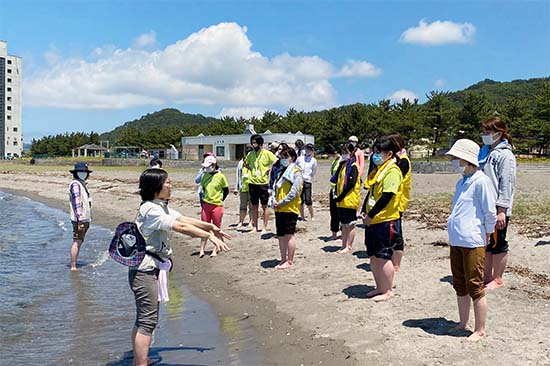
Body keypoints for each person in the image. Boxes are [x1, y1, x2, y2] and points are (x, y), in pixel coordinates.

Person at [131, 169, 230, 366]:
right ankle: (140, 363)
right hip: (144, 271)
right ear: (155, 187)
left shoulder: (161, 206)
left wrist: (210, 228)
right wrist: (208, 237)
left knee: (144, 318)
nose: (170, 186)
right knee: (147, 320)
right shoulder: (151, 209)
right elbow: (181, 228)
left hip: (151, 269)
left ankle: (139, 360)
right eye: (167, 183)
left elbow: (183, 220)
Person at [446, 139, 496, 341]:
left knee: (475, 284)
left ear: (466, 159)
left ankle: (480, 328)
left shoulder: (481, 181)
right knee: (459, 283)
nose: (454, 161)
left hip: (473, 240)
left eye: (456, 158)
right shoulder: (461, 181)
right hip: (456, 239)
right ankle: (463, 322)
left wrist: (488, 233)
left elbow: (489, 211)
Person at [360, 136, 403, 302]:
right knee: (373, 255)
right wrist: (364, 211)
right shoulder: (379, 169)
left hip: (386, 219)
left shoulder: (393, 171)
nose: (375, 155)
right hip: (373, 220)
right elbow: (371, 193)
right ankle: (379, 286)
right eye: (374, 152)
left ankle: (388, 290)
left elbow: (386, 197)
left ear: (389, 153)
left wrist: (371, 215)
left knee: (383, 255)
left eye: (379, 152)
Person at [478, 116, 516, 291]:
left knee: (498, 243)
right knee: (486, 243)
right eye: (484, 132)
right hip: (484, 206)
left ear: (499, 133)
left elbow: (506, 184)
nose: (485, 135)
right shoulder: (484, 151)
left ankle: (498, 278)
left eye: (488, 132)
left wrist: (502, 210)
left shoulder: (505, 155)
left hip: (497, 207)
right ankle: (486, 276)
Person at [273, 145, 303, 269]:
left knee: (289, 234)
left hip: (290, 208)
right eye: (282, 157)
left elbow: (294, 192)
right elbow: (275, 188)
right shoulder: (281, 172)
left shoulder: (296, 172)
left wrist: (282, 202)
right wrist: (274, 200)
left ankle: (289, 260)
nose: (283, 159)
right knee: (280, 235)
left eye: (286, 156)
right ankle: (283, 258)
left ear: (293, 158)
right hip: (279, 208)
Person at [387, 132, 411, 272]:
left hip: (398, 202)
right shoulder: (397, 158)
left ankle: (396, 264)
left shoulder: (403, 160)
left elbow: (396, 180)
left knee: (396, 234)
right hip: (393, 203)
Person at [244, 134, 278, 233]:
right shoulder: (250, 154)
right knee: (254, 206)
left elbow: (276, 161)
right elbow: (245, 163)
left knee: (264, 206)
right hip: (252, 182)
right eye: (252, 142)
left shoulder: (267, 153)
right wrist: (250, 170)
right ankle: (255, 227)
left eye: (255, 142)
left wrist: (270, 168)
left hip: (264, 183)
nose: (253, 144)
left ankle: (264, 227)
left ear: (260, 143)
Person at [331, 142, 361, 254]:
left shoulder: (353, 166)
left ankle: (349, 245)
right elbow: (337, 181)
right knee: (343, 224)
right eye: (342, 152)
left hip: (349, 199)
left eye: (346, 152)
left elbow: (351, 183)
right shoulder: (342, 165)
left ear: (352, 152)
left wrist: (341, 196)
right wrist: (336, 194)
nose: (344, 154)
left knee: (350, 224)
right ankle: (343, 244)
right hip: (341, 200)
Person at [199, 156, 229, 257]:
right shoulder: (205, 176)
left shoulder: (221, 176)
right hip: (206, 205)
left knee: (216, 228)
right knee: (204, 227)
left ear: (214, 165)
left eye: (208, 166)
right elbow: (203, 188)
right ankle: (202, 249)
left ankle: (215, 248)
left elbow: (226, 190)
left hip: (217, 206)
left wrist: (219, 200)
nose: (206, 168)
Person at [68, 162, 93, 271]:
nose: (83, 174)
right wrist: (80, 220)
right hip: (80, 219)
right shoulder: (75, 184)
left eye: (85, 172)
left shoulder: (81, 183)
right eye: (81, 172)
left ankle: (74, 263)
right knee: (77, 241)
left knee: (79, 241)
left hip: (83, 219)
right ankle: (73, 265)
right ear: (76, 173)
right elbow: (77, 203)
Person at [296, 143, 318, 221]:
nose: (308, 151)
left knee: (308, 199)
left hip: (308, 181)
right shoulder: (299, 158)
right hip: (299, 181)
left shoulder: (313, 160)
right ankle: (302, 216)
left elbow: (313, 171)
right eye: (307, 149)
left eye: (310, 149)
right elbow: (296, 168)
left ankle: (312, 215)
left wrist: (309, 177)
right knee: (300, 199)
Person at [325, 144, 342, 240]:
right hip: (333, 189)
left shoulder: (341, 161)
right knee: (333, 212)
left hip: (339, 190)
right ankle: (334, 233)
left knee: (340, 212)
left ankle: (343, 232)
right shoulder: (334, 161)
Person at [234, 146, 253, 229]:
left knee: (252, 206)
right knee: (242, 205)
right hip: (243, 187)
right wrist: (236, 187)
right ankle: (240, 222)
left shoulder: (254, 162)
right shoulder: (241, 162)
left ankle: (251, 222)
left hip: (252, 186)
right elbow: (238, 175)